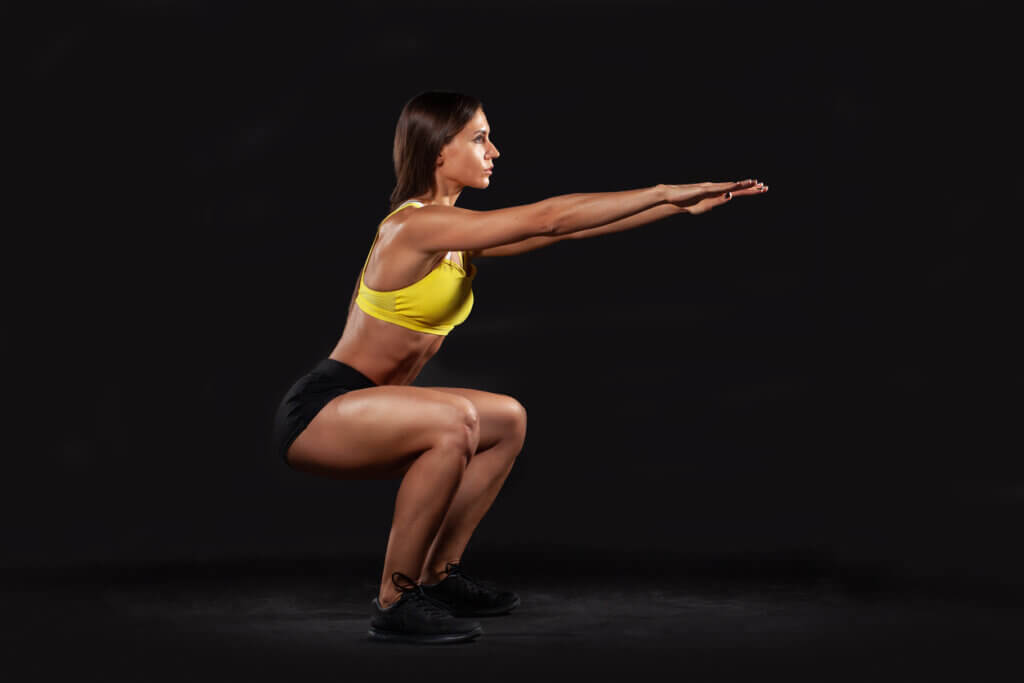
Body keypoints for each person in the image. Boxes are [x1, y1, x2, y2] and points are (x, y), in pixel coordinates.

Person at [270, 90, 768, 645]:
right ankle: (395, 598)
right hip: (323, 410)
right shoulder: (413, 229)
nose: (495, 152)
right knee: (455, 421)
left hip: (370, 407)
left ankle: (437, 576)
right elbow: (550, 218)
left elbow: (566, 230)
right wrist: (661, 190)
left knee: (506, 419)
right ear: (439, 151)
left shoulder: (456, 237)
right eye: (480, 139)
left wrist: (674, 208)